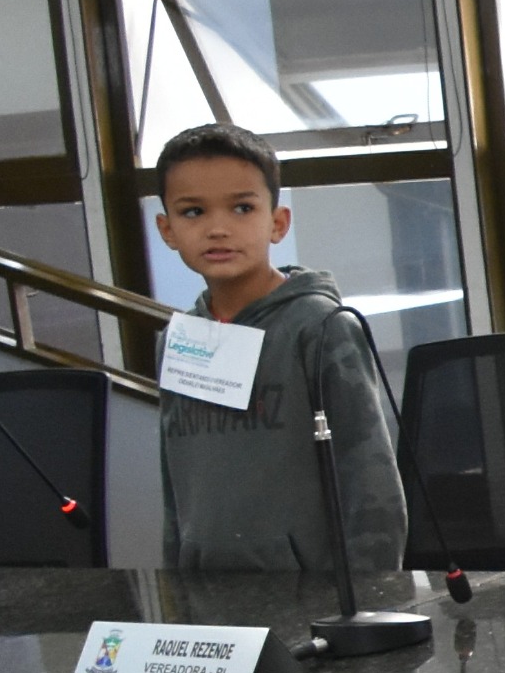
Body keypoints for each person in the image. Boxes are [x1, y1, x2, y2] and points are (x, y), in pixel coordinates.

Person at [149, 122, 407, 581]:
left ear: (278, 222)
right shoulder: (178, 340)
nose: (218, 228)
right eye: (193, 212)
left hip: (311, 596)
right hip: (207, 595)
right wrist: (178, 586)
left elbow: (371, 482)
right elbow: (176, 487)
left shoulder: (321, 327)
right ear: (167, 229)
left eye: (242, 208)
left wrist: (371, 598)